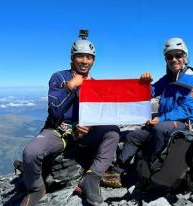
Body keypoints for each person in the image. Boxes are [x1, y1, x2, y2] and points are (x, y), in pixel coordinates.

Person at [20, 30, 120, 206]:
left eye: (89, 57)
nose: (84, 61)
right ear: (73, 58)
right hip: (59, 132)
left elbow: (99, 113)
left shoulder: (95, 84)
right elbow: (55, 112)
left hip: (84, 133)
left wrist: (89, 125)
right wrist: (70, 87)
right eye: (80, 56)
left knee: (113, 132)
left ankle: (91, 178)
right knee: (31, 152)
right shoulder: (59, 77)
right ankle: (37, 188)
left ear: (93, 60)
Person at [102, 37, 193, 188]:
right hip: (164, 120)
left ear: (185, 56)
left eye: (178, 55)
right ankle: (117, 172)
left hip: (183, 123)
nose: (174, 59)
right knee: (134, 136)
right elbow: (150, 92)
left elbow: (187, 109)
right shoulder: (168, 78)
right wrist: (144, 83)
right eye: (169, 56)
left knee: (159, 129)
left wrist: (162, 118)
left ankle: (154, 169)